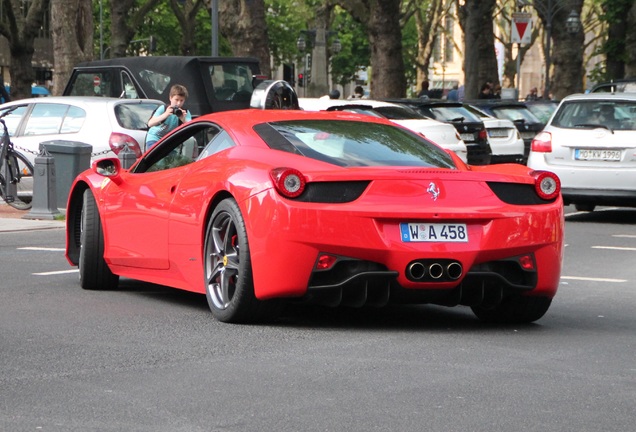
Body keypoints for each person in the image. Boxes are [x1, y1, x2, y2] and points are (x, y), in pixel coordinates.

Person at [146, 84, 192, 149]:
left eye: (181, 100)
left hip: (169, 141)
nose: (178, 103)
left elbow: (190, 127)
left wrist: (183, 118)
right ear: (170, 98)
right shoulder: (163, 108)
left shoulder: (185, 112)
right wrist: (166, 114)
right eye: (176, 100)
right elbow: (150, 123)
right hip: (155, 138)